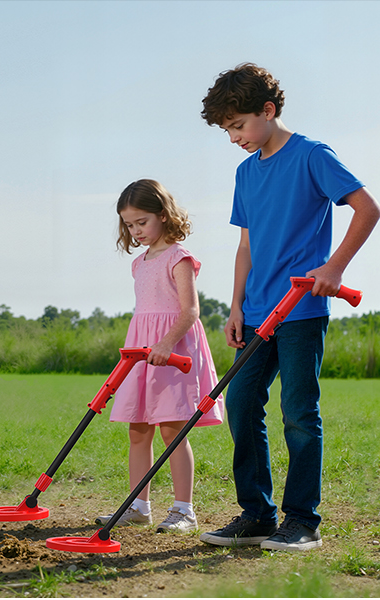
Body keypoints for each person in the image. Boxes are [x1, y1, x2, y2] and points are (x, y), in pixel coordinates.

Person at [196, 63, 380, 551]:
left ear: (268, 110)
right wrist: (234, 307)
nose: (234, 137)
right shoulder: (245, 172)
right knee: (239, 404)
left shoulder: (312, 156)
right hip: (256, 312)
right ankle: (256, 514)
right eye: (227, 129)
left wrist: (334, 268)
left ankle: (302, 521)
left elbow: (368, 209)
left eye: (238, 125)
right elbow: (246, 246)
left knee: (299, 413)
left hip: (300, 309)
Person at [99, 179, 224, 534]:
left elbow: (190, 311)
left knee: (172, 430)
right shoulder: (139, 264)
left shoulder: (178, 257)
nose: (136, 231)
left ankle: (184, 510)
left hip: (174, 351)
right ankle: (138, 506)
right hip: (142, 352)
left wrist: (167, 344)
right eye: (129, 224)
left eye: (142, 222)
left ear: (164, 216)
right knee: (138, 430)